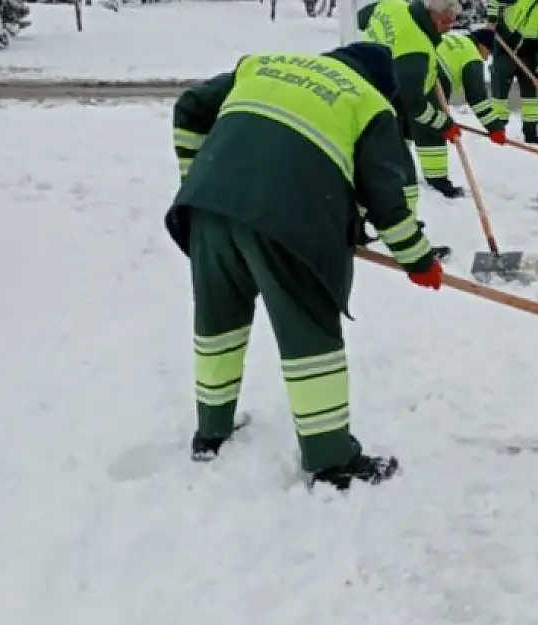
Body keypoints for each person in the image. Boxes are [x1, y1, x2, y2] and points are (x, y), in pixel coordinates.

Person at [166, 42, 443, 492]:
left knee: (218, 323)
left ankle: (211, 432)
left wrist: (196, 176)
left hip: (207, 209)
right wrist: (418, 260)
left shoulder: (265, 64)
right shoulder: (368, 102)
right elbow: (387, 201)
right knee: (310, 335)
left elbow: (191, 106)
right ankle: (330, 460)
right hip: (289, 224)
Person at [361, 0, 463, 212]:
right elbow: (414, 104)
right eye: (446, 21)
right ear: (432, 15)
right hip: (379, 91)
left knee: (400, 140)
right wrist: (444, 123)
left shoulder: (396, 5)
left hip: (386, 75)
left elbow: (364, 15)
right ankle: (400, 218)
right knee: (400, 165)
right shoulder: (414, 50)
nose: (449, 28)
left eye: (454, 22)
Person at [413, 28, 506, 198]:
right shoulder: (471, 54)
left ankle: (398, 172)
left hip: (411, 67)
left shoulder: (454, 38)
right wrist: (495, 127)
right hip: (432, 79)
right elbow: (477, 97)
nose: (487, 58)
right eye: (488, 52)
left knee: (406, 123)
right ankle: (438, 182)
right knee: (432, 128)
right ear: (482, 45)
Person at [487, 0, 538, 144]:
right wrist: (492, 20)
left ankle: (531, 134)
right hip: (505, 46)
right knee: (499, 93)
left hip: (529, 54)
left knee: (530, 98)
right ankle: (497, 129)